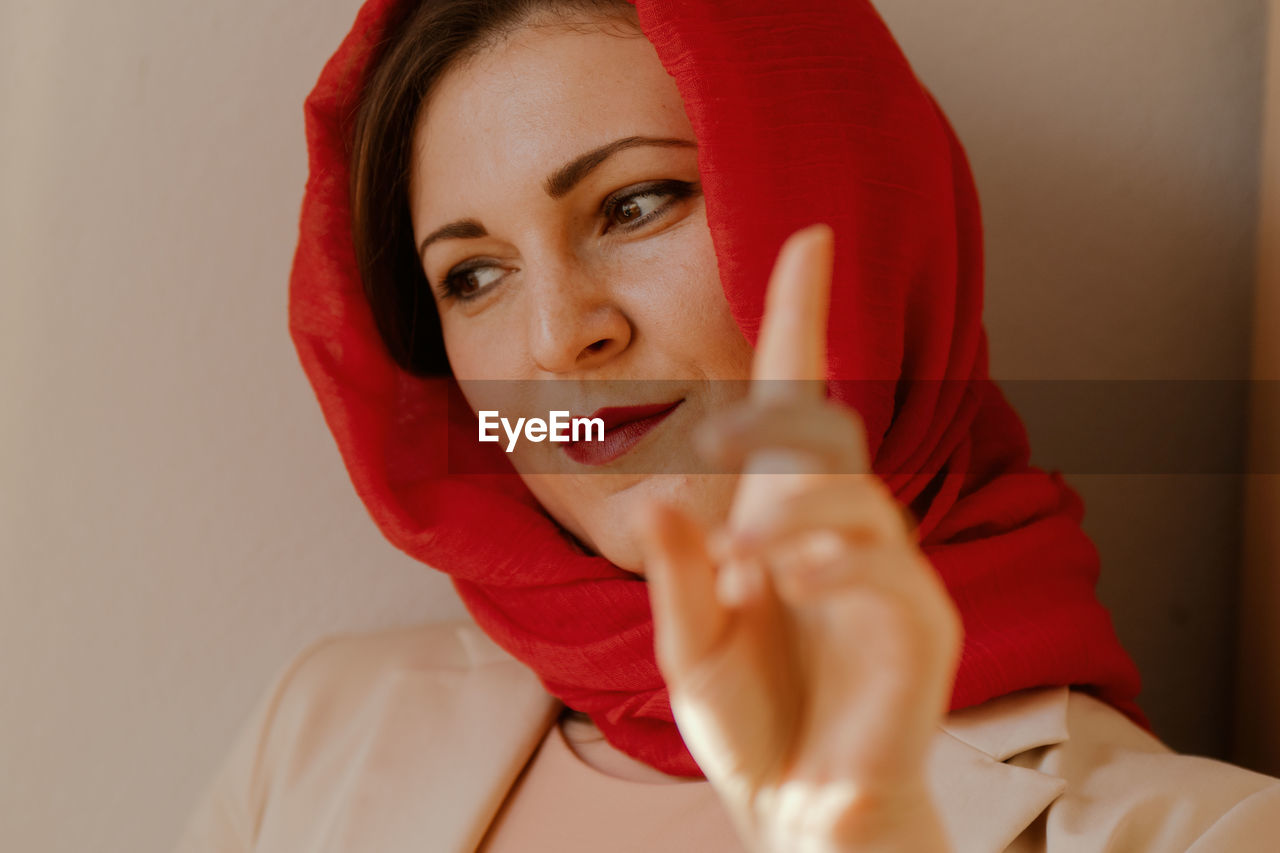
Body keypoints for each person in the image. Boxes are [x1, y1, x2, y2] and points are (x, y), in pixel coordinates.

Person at [173, 0, 1280, 850]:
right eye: (471, 275)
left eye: (634, 203)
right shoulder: (312, 740)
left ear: (850, 213)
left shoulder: (1206, 832)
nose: (560, 340)